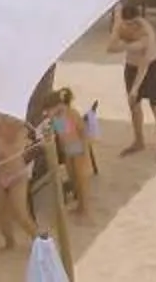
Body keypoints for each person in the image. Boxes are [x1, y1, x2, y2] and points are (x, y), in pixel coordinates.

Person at [110, 3, 156, 159]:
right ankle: (139, 141)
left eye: (133, 23)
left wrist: (135, 88)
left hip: (151, 67)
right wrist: (117, 24)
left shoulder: (146, 33)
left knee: (155, 105)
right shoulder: (121, 24)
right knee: (134, 105)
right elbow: (110, 47)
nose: (130, 27)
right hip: (131, 66)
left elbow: (144, 64)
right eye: (127, 24)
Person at [0, 111, 36, 255]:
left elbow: (11, 152)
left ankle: (41, 244)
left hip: (17, 175)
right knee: (0, 216)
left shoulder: (22, 130)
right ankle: (9, 243)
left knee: (21, 214)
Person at [43, 86, 95, 220]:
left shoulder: (72, 114)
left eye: (48, 110)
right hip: (68, 150)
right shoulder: (57, 118)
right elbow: (62, 134)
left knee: (81, 180)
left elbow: (83, 132)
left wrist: (84, 150)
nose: (47, 113)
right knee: (73, 179)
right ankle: (80, 206)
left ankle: (86, 209)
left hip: (78, 149)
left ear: (57, 106)